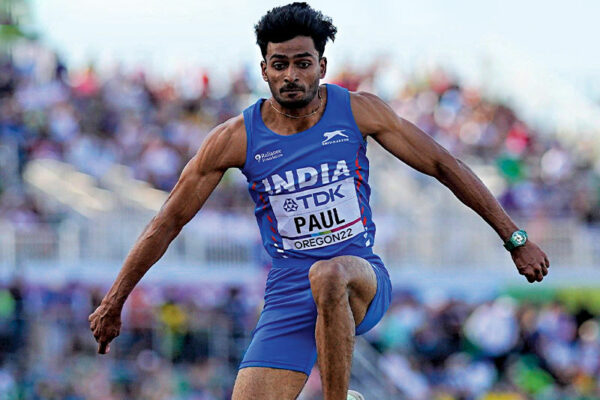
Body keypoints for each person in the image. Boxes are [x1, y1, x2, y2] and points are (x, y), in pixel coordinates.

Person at [88, 3, 550, 399]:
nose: (292, 75)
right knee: (309, 281)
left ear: (322, 67)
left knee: (327, 272)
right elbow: (167, 221)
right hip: (288, 298)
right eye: (280, 63)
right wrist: (114, 301)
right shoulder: (234, 139)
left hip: (359, 280)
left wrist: (514, 237)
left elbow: (443, 165)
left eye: (303, 63)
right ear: (264, 69)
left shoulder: (359, 110)